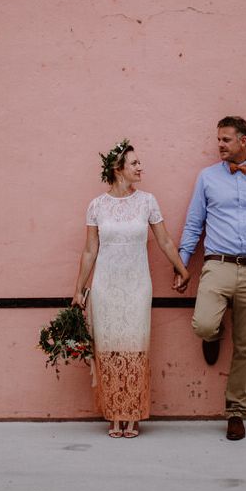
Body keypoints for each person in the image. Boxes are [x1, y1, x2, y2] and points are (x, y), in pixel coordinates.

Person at [72, 139, 190, 438]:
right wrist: (79, 290)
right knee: (110, 348)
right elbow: (89, 251)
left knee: (136, 348)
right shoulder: (96, 206)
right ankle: (114, 415)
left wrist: (181, 267)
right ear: (118, 169)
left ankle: (132, 413)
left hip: (137, 286)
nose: (141, 167)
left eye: (140, 163)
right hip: (105, 287)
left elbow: (163, 240)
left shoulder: (147, 201)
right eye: (135, 163)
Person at [174, 116, 246, 440]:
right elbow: (194, 224)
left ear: (243, 141)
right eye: (218, 139)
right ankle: (213, 332)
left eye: (225, 139)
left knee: (245, 346)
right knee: (204, 324)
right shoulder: (207, 178)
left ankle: (236, 412)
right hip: (217, 265)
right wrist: (182, 265)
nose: (219, 145)